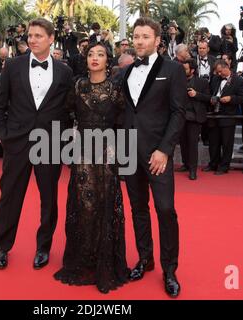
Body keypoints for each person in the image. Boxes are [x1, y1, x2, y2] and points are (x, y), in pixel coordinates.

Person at [0, 18, 73, 271]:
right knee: (10, 195)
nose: (32, 39)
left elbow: (68, 109)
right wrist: (3, 134)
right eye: (30, 35)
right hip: (17, 141)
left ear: (51, 39)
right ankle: (2, 247)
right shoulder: (13, 66)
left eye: (39, 35)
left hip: (49, 143)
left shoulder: (65, 72)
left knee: (48, 198)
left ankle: (43, 247)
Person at [54, 42, 130, 294]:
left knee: (106, 203)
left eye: (100, 54)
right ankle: (83, 258)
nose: (95, 58)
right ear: (85, 59)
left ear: (108, 60)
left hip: (108, 153)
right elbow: (65, 115)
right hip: (83, 153)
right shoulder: (77, 86)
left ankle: (105, 262)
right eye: (91, 54)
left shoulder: (116, 88)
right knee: (84, 204)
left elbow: (124, 121)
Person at [123, 17, 186, 298]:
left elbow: (178, 113)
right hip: (129, 153)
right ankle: (145, 259)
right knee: (138, 209)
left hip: (157, 154)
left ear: (157, 40)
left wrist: (164, 149)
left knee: (165, 210)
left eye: (145, 36)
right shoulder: (124, 72)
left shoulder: (172, 69)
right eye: (136, 36)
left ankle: (169, 270)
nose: (139, 41)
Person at [204, 59, 243, 175]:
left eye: (220, 71)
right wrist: (212, 99)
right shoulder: (215, 79)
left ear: (226, 67)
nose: (218, 74)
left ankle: (224, 166)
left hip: (228, 115)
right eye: (217, 72)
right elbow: (210, 93)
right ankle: (213, 164)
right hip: (214, 114)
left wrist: (230, 99)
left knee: (227, 143)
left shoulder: (239, 81)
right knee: (213, 142)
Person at [177, 59, 210, 180]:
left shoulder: (202, 82)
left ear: (192, 70)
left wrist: (196, 94)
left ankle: (192, 170)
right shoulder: (178, 81)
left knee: (192, 144)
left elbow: (208, 98)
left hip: (194, 117)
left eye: (185, 69)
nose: (183, 71)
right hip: (180, 116)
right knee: (183, 143)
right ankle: (186, 164)